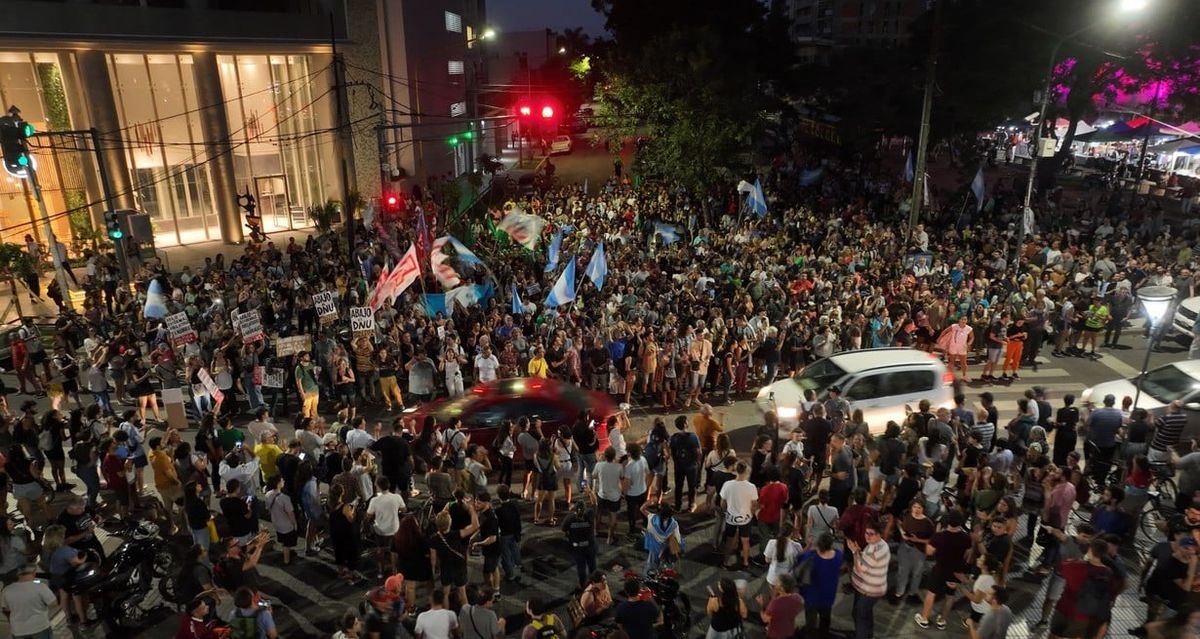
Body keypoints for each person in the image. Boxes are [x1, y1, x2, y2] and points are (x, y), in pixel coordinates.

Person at [915, 511, 973, 630]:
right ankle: (942, 621)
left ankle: (924, 619)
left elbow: (929, 551)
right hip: (955, 571)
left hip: (940, 569)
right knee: (950, 596)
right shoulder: (966, 538)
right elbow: (967, 555)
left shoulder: (939, 536)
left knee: (931, 593)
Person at [848, 521, 890, 639]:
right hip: (870, 588)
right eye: (866, 533)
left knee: (859, 616)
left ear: (879, 534)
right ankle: (868, 635)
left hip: (868, 590)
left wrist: (855, 552)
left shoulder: (874, 550)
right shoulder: (880, 544)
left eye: (871, 534)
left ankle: (861, 635)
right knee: (866, 615)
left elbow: (860, 568)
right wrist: (860, 552)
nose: (867, 536)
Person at [893, 499, 935, 604]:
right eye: (914, 507)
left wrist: (917, 540)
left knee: (917, 573)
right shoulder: (907, 515)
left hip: (919, 550)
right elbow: (899, 523)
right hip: (905, 547)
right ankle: (899, 592)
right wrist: (902, 532)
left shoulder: (927, 523)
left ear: (923, 509)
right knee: (902, 571)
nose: (916, 510)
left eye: (919, 508)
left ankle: (912, 592)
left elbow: (932, 539)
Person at [718, 461, 757, 569]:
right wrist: (752, 513)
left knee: (729, 540)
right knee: (745, 540)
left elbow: (723, 502)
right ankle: (745, 562)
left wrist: (725, 511)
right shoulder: (751, 487)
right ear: (746, 471)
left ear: (735, 471)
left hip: (731, 517)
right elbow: (754, 504)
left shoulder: (728, 485)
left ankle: (725, 562)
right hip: (745, 518)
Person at [1, 564, 57, 639]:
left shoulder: (6, 590)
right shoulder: (40, 587)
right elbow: (53, 604)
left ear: (17, 575)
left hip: (18, 630)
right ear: (34, 573)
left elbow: (5, 610)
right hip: (40, 627)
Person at [365, 476, 405, 579]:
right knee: (394, 551)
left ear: (378, 486)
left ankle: (380, 571)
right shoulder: (396, 497)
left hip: (380, 530)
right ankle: (394, 572)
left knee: (380, 550)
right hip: (394, 528)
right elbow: (404, 509)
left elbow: (368, 515)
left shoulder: (374, 500)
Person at [669, 414, 702, 512]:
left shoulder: (674, 437)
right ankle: (691, 505)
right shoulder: (693, 436)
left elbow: (672, 452)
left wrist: (676, 461)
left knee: (678, 486)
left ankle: (678, 506)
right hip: (691, 465)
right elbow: (698, 451)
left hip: (679, 465)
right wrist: (698, 462)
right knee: (692, 486)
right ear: (685, 424)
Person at [758, 573, 804, 639]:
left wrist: (761, 605)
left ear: (782, 588)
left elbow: (765, 619)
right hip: (789, 631)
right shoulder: (798, 597)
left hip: (775, 634)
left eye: (777, 582)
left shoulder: (775, 603)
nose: (775, 583)